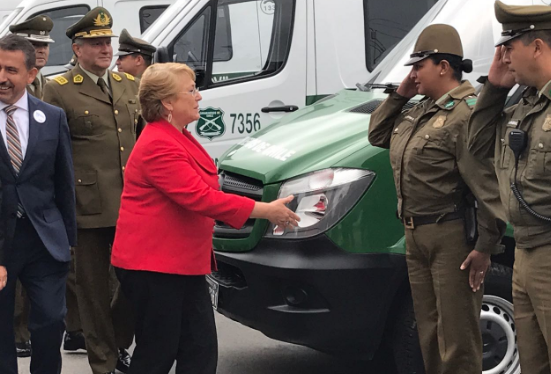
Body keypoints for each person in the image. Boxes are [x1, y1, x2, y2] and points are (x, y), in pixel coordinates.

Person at [111, 62, 300, 374]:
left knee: (198, 351)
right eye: (190, 90)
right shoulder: (159, 142)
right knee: (158, 353)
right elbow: (199, 197)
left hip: (178, 264)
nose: (198, 96)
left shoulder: (177, 135)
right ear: (167, 102)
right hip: (154, 267)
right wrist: (266, 210)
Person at [368, 24, 506, 374]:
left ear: (443, 67)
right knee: (428, 333)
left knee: (457, 336)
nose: (413, 75)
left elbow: (485, 183)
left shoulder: (466, 113)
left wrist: (485, 246)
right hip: (415, 235)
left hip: (452, 236)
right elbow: (377, 134)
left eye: (419, 66)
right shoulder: (420, 109)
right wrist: (399, 95)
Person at [42, 7, 141, 374]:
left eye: (108, 42)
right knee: (93, 291)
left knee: (135, 282)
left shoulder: (129, 86)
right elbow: (49, 152)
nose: (105, 49)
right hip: (87, 207)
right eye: (96, 43)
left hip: (132, 205)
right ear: (77, 49)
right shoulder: (59, 90)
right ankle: (104, 361)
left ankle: (116, 341)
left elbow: (145, 142)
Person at [468, 2, 551, 373]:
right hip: (526, 254)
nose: (502, 56)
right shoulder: (526, 105)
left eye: (510, 45)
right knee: (534, 363)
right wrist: (494, 91)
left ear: (537, 47)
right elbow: (475, 147)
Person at [9, 13, 86, 356]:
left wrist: (68, 239)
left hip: (44, 238)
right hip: (1, 240)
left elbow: (63, 180)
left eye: (11, 71)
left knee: (51, 320)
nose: (2, 78)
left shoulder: (50, 117)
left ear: (31, 74)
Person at [9, 15, 54, 99]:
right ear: (18, 48)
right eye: (35, 45)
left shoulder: (54, 87)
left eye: (45, 45)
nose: (42, 50)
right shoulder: (7, 86)